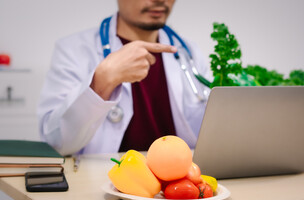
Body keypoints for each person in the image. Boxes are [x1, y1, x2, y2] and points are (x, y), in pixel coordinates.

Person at [37, 0, 211, 156]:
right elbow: (56, 143)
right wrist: (102, 81)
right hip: (105, 182)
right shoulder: (73, 50)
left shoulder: (189, 51)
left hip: (177, 183)